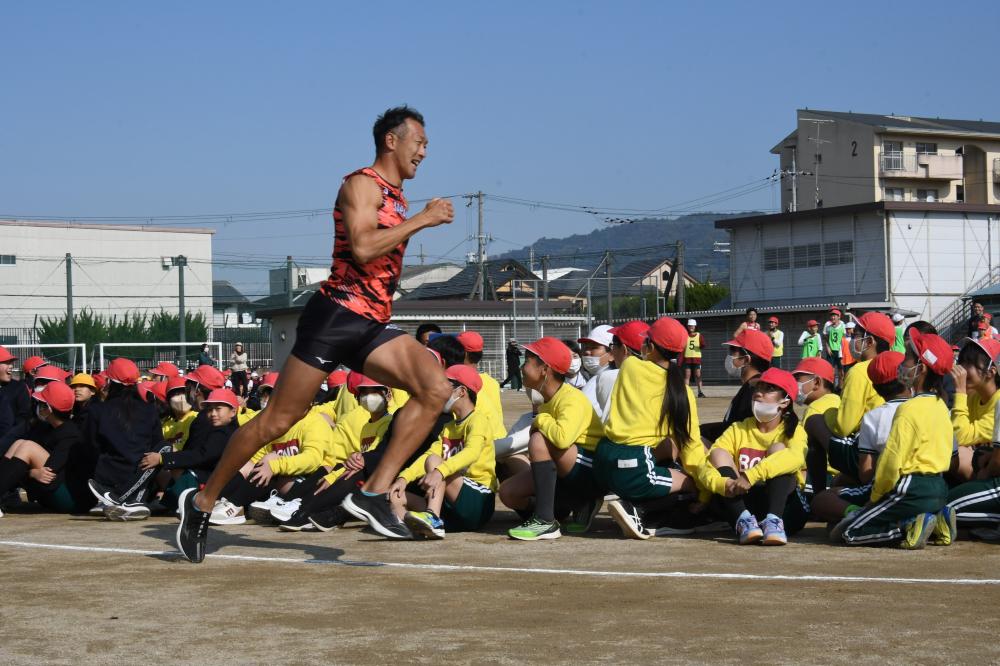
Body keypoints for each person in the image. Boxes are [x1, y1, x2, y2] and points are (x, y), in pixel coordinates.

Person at [176, 105, 455, 562]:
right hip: (334, 318)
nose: (424, 152)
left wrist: (414, 217)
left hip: (370, 323)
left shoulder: (398, 196)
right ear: (392, 140)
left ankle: (372, 493)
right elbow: (363, 248)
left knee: (435, 389)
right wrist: (422, 220)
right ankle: (203, 502)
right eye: (419, 142)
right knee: (275, 422)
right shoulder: (361, 184)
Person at [836, 330, 956, 548]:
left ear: (921, 368)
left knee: (850, 532)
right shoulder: (941, 406)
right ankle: (939, 520)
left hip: (909, 487)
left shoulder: (909, 409)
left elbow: (892, 460)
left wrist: (877, 494)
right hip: (939, 486)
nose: (902, 364)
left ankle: (907, 527)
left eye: (907, 359)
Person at [594, 317, 702, 539]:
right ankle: (636, 510)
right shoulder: (682, 392)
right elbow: (691, 448)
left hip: (603, 459)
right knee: (692, 484)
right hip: (634, 465)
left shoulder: (630, 366)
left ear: (649, 347)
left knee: (665, 454)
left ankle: (633, 503)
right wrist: (707, 487)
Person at [499, 337, 605, 540]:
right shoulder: (549, 398)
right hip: (571, 467)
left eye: (528, 361)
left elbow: (562, 438)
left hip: (593, 471)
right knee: (508, 493)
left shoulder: (571, 399)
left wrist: (541, 419)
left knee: (540, 439)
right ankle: (562, 508)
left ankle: (545, 520)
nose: (522, 367)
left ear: (544, 369)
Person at [698, 368, 808, 545]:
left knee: (779, 450)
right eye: (758, 388)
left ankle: (774, 523)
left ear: (785, 401)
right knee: (718, 453)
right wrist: (724, 485)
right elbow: (705, 465)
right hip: (744, 504)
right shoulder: (738, 428)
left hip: (786, 507)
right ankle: (744, 520)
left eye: (769, 389)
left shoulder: (795, 430)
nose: (759, 393)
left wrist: (751, 475)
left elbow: (796, 458)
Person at [394, 364, 497, 538]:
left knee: (435, 461)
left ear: (461, 391)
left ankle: (432, 517)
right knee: (396, 495)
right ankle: (410, 527)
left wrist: (440, 471)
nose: (439, 392)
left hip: (478, 499)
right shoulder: (448, 427)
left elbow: (472, 452)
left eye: (445, 386)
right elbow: (427, 455)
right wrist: (404, 478)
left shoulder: (478, 420)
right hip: (454, 506)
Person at [812, 352, 910, 526]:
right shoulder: (932, 408)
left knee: (822, 499)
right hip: (930, 487)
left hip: (887, 488)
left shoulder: (873, 417)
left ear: (875, 387)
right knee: (841, 481)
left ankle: (859, 515)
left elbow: (865, 473)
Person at [804, 311, 895, 495]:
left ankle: (817, 494)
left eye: (856, 334)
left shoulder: (860, 371)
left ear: (870, 342)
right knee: (839, 483)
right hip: (892, 450)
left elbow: (843, 427)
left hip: (866, 452)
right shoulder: (894, 365)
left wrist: (828, 414)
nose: (851, 338)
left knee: (814, 421)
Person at [86, 358, 167, 520]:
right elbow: (156, 443)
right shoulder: (149, 409)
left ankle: (115, 499)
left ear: (109, 381)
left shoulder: (98, 410)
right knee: (163, 449)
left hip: (106, 478)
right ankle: (133, 501)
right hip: (139, 475)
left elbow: (91, 447)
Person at [700, 329, 773, 443]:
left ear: (746, 359)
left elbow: (738, 434)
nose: (729, 356)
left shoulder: (752, 391)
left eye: (733, 350)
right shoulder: (753, 386)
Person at [948, 337, 1000, 483]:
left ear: (991, 372)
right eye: (961, 362)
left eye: (969, 363)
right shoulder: (974, 396)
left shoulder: (998, 403)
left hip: (992, 474)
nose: (961, 370)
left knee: (955, 453)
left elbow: (960, 436)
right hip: (980, 464)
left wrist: (960, 390)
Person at [595, 320, 649, 419]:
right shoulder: (662, 376)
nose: (612, 350)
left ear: (624, 350)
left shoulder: (607, 377)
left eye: (613, 345)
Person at [577, 325, 614, 412]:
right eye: (586, 347)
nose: (587, 351)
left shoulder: (608, 379)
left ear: (612, 353)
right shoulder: (595, 378)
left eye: (594, 347)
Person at [0, 347, 32, 446]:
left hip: (10, 445)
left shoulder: (19, 388)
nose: (11, 366)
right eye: (6, 362)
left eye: (11, 363)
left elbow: (24, 420)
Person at [683, 319, 707, 398]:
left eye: (692, 326)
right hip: (687, 358)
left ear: (695, 326)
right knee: (687, 375)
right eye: (689, 326)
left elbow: (703, 345)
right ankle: (686, 392)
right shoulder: (685, 335)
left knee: (698, 375)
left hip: (696, 358)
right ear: (688, 326)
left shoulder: (699, 335)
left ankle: (700, 392)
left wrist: (700, 345)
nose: (691, 327)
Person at [823, 308, 846, 386]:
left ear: (839, 317)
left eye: (835, 316)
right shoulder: (828, 327)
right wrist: (827, 347)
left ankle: (840, 387)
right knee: (831, 371)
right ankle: (832, 387)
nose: (833, 317)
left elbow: (845, 338)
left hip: (840, 352)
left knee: (841, 371)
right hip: (831, 351)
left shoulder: (843, 326)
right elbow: (825, 338)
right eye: (832, 316)